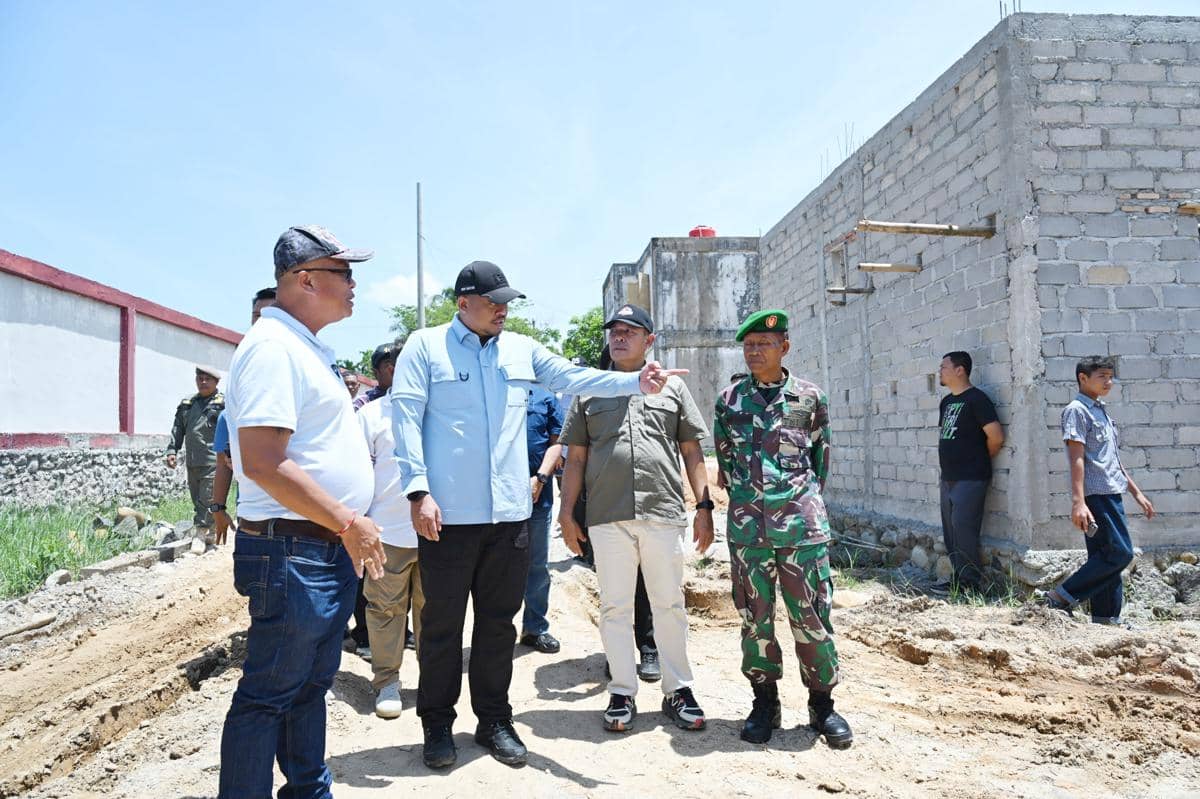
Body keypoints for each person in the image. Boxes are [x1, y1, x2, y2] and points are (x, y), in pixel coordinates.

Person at [391, 260, 686, 770]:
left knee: (498, 626)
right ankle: (437, 723)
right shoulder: (425, 346)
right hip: (448, 517)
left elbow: (574, 376)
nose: (503, 310)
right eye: (493, 302)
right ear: (463, 303)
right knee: (441, 627)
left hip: (509, 516)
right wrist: (418, 491)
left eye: (507, 302)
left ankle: (493, 721)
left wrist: (636, 383)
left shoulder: (521, 349)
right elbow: (406, 419)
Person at [217, 224, 387, 799]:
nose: (354, 284)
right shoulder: (272, 349)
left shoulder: (305, 348)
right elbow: (264, 462)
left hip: (317, 548)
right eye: (344, 273)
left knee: (308, 689)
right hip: (292, 550)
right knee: (268, 696)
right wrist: (347, 519)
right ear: (306, 279)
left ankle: (309, 790)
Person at [559, 303, 713, 734]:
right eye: (615, 331)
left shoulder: (673, 388)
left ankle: (678, 689)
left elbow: (692, 451)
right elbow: (575, 458)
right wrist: (566, 513)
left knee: (669, 604)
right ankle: (622, 690)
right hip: (607, 516)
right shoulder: (590, 390)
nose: (619, 337)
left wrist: (704, 507)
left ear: (650, 340)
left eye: (630, 331)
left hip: (662, 511)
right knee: (615, 607)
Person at [713, 309, 852, 749]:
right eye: (749, 345)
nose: (754, 351)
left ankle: (822, 706)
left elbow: (820, 462)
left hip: (801, 531)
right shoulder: (729, 401)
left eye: (764, 344)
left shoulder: (810, 398)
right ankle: (764, 703)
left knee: (812, 617)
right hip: (748, 532)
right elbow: (726, 463)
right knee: (755, 620)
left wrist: (798, 503)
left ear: (784, 347)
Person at [1044, 356, 1155, 625]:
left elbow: (1111, 460)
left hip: (1111, 491)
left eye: (1110, 376)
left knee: (1104, 557)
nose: (1109, 382)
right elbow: (1077, 458)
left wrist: (1136, 493)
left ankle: (1106, 620)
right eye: (1102, 376)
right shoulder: (1077, 411)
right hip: (1096, 494)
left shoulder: (1101, 411)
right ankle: (1060, 596)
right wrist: (1078, 502)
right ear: (1083, 378)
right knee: (1120, 553)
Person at [358, 384, 424, 718]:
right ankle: (387, 681)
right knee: (385, 610)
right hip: (386, 532)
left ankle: (433, 682)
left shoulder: (444, 407)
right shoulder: (371, 415)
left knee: (435, 612)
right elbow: (357, 473)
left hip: (438, 532)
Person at [211, 287, 276, 545]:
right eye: (257, 315)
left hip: (302, 523)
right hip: (254, 519)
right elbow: (222, 464)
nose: (262, 322)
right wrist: (218, 507)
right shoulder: (229, 416)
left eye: (271, 315)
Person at [935, 351, 1004, 592]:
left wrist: (978, 459)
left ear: (959, 370)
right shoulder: (946, 402)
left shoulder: (977, 399)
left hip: (971, 476)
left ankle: (970, 584)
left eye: (944, 367)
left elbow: (996, 437)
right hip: (948, 476)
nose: (939, 371)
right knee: (951, 531)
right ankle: (959, 579)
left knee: (964, 528)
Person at [520, 383, 564, 654]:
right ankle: (493, 631)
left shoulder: (546, 398)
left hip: (538, 497)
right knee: (495, 567)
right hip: (497, 499)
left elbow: (557, 442)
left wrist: (541, 478)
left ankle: (534, 628)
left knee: (536, 565)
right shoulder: (495, 391)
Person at [167, 365, 224, 540]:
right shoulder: (188, 404)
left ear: (216, 382)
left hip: (214, 460)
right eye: (200, 378)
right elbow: (178, 428)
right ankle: (213, 527)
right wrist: (172, 450)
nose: (203, 382)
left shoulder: (223, 405)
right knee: (197, 498)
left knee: (208, 497)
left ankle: (200, 534)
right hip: (192, 460)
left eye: (208, 379)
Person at [354, 342, 401, 409]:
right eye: (389, 364)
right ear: (376, 373)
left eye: (398, 362)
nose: (395, 368)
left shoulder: (412, 396)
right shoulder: (363, 404)